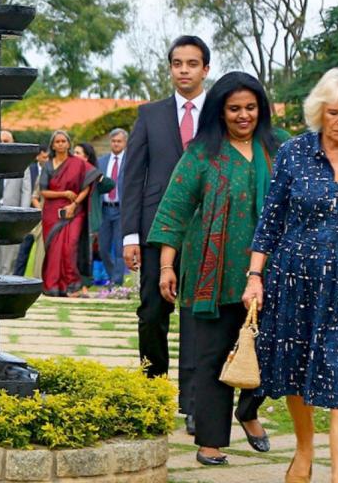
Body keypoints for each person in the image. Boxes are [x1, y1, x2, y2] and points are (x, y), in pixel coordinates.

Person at [243, 68, 338, 483]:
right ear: (319, 112)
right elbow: (271, 221)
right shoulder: (294, 153)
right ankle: (304, 451)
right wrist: (254, 277)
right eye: (333, 113)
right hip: (295, 276)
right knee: (298, 367)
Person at [147, 72, 286, 466]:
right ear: (220, 112)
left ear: (262, 109)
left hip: (272, 274)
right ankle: (210, 441)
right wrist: (167, 266)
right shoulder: (202, 154)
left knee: (273, 351)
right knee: (212, 357)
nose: (244, 115)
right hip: (215, 274)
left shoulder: (279, 151)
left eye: (250, 107)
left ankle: (248, 410)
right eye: (234, 108)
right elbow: (174, 211)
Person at [121, 35, 211, 433]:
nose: (184, 71)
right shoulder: (150, 115)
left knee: (196, 317)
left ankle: (193, 403)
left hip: (208, 230)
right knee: (153, 313)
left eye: (192, 64)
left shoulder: (219, 116)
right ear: (171, 68)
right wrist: (129, 235)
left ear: (205, 69)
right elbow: (132, 176)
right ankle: (152, 391)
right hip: (157, 230)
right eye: (177, 63)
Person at [39, 130, 101, 296]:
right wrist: (64, 194)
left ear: (68, 144)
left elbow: (87, 184)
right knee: (53, 250)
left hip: (75, 212)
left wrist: (74, 203)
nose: (60, 144)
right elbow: (44, 192)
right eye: (57, 141)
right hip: (52, 213)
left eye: (63, 141)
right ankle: (53, 287)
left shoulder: (78, 163)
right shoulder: (48, 165)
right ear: (53, 145)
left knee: (70, 247)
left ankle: (72, 286)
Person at [72, 142, 115, 296]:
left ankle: (84, 287)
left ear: (86, 156)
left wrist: (97, 175)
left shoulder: (93, 175)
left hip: (89, 221)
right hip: (71, 219)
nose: (74, 155)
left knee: (86, 255)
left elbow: (110, 185)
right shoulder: (70, 172)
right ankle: (73, 286)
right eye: (74, 152)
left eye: (78, 153)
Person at [0, 130, 33, 275]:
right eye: (0, 141)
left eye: (6, 141)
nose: (3, 144)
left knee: (8, 255)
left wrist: (22, 215)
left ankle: (5, 282)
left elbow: (26, 191)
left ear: (13, 143)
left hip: (11, 214)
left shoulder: (21, 164)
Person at [97, 129, 128, 287]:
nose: (116, 144)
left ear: (125, 143)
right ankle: (111, 276)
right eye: (113, 141)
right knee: (103, 248)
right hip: (104, 209)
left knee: (119, 246)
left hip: (121, 209)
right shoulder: (101, 161)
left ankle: (116, 281)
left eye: (119, 141)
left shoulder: (130, 161)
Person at [13, 143, 49, 277]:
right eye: (44, 156)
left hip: (43, 217)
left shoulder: (50, 171)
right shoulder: (30, 169)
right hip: (30, 216)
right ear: (38, 156)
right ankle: (17, 276)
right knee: (24, 249)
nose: (46, 159)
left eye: (47, 157)